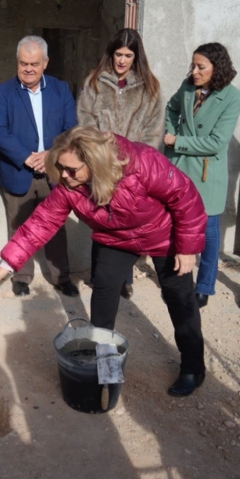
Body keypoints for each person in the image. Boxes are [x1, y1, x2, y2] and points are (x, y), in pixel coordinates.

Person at [0, 126, 208, 396]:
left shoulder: (142, 163)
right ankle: (108, 368)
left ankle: (193, 368)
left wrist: (187, 247)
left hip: (163, 234)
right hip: (115, 239)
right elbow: (41, 224)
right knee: (103, 298)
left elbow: (185, 196)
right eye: (60, 167)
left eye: (71, 169)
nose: (64, 175)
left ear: (95, 162)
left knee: (180, 299)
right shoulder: (68, 187)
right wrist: (5, 266)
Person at [0, 35, 79, 298]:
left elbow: (70, 128)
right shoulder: (3, 92)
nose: (28, 68)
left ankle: (61, 277)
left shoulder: (61, 90)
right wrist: (27, 157)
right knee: (19, 225)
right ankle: (21, 276)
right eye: (23, 63)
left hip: (53, 170)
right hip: (18, 171)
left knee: (56, 225)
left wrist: (52, 154)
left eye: (34, 63)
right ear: (17, 62)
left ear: (46, 63)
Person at [77, 28, 163, 299]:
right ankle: (98, 275)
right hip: (102, 166)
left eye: (128, 55)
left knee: (129, 221)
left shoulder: (151, 87)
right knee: (102, 221)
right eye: (118, 54)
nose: (122, 61)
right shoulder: (94, 82)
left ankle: (124, 279)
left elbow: (153, 130)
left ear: (137, 57)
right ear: (110, 54)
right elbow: (86, 122)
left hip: (135, 169)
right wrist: (102, 157)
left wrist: (135, 161)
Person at [164, 43, 240, 308]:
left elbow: (216, 142)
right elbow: (171, 108)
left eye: (201, 67)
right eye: (193, 65)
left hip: (208, 175)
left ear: (217, 68)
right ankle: (176, 280)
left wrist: (177, 141)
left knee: (209, 234)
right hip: (178, 169)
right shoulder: (188, 87)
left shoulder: (233, 97)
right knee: (174, 226)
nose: (194, 71)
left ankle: (205, 286)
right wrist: (169, 131)